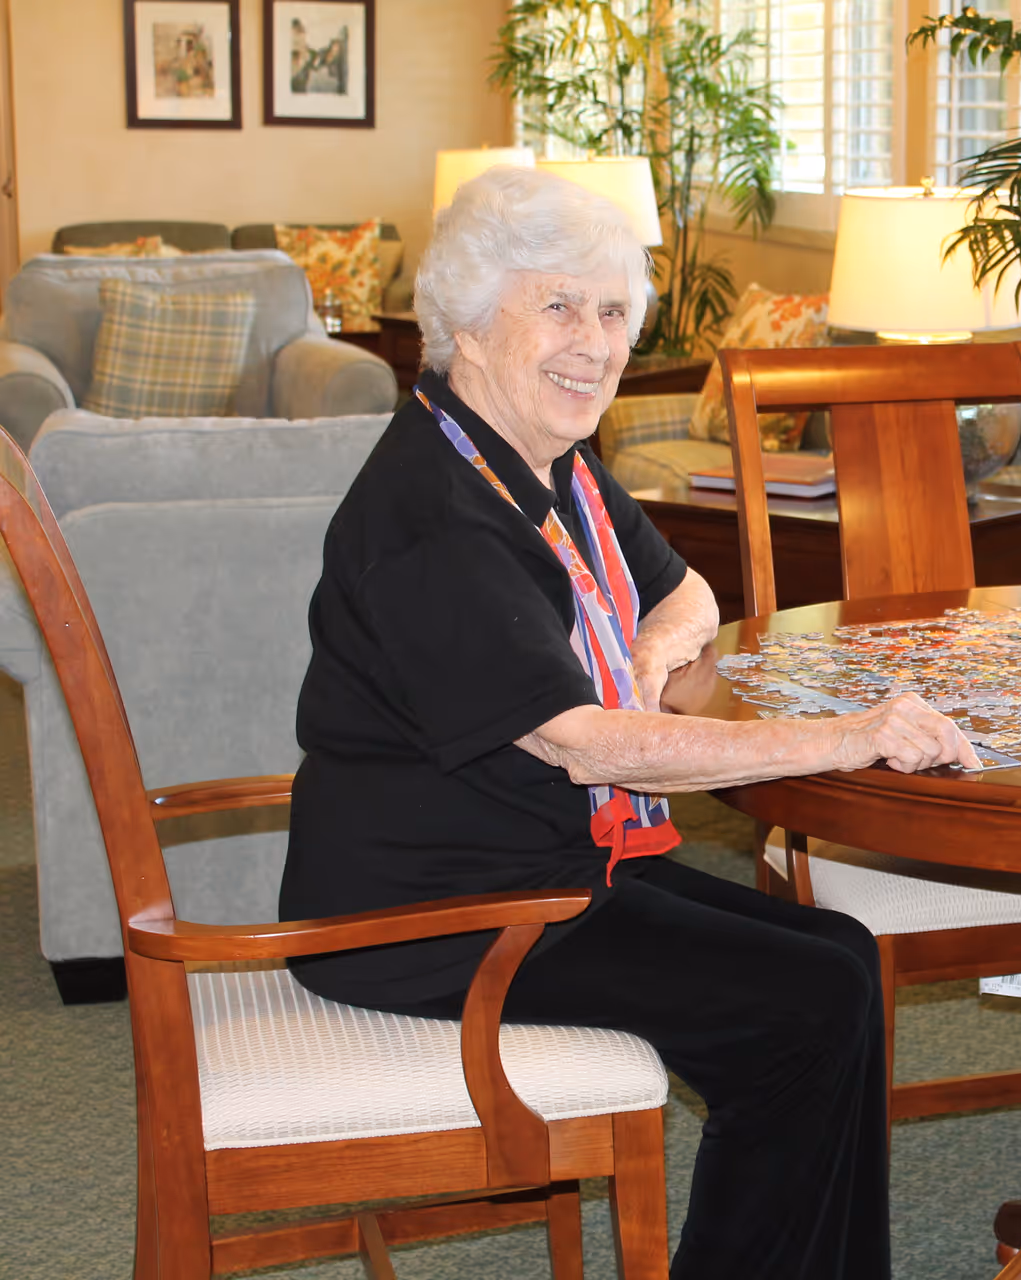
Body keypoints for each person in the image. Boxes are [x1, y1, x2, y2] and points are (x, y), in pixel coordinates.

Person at [278, 165, 978, 1280]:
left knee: (842, 955)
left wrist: (652, 647)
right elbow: (587, 739)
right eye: (558, 305)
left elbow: (690, 592)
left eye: (612, 312)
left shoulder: (543, 463)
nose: (594, 343)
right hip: (437, 911)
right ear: (467, 320)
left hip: (547, 859)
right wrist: (850, 733)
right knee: (802, 1004)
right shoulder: (432, 513)